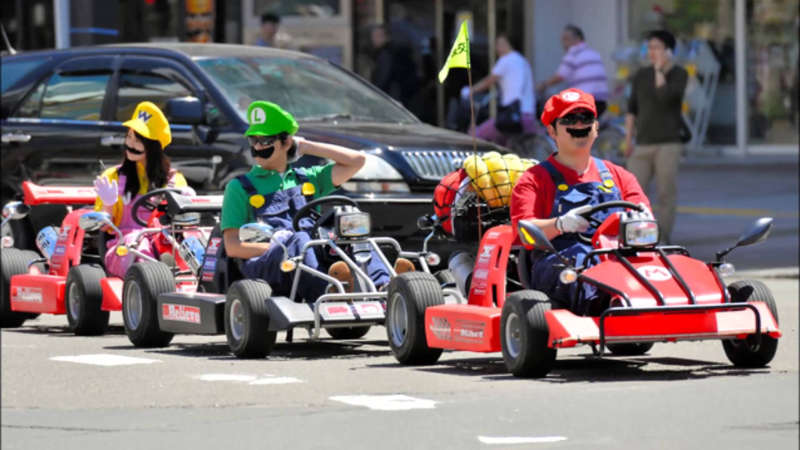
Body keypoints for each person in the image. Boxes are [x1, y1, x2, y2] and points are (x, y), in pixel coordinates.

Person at [221, 101, 412, 303]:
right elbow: (233, 247)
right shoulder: (239, 187)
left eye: (265, 140)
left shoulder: (307, 178)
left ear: (286, 143)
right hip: (269, 263)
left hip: (312, 250)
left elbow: (357, 161)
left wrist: (307, 146)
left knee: (352, 231)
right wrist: (282, 245)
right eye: (253, 140)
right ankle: (329, 292)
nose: (257, 147)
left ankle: (385, 285)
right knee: (300, 239)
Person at [510, 88, 651, 315]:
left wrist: (642, 218)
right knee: (581, 267)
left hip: (616, 255)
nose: (578, 125)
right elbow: (522, 232)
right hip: (562, 262)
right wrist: (560, 224)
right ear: (552, 131)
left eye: (585, 118)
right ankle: (611, 307)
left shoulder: (618, 175)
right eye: (569, 119)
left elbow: (645, 217)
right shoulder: (533, 179)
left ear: (595, 127)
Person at [94, 101, 192, 278]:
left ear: (153, 147)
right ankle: (156, 275)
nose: (130, 144)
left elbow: (187, 222)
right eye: (129, 137)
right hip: (124, 247)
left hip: (163, 241)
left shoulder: (174, 180)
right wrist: (108, 204)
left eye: (138, 140)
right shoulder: (113, 177)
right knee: (138, 243)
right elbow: (102, 227)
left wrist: (187, 200)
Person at [624, 30, 688, 245]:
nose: (652, 52)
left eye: (657, 47)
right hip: (642, 143)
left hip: (668, 143)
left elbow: (666, 97)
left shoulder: (679, 73)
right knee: (633, 194)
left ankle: (663, 238)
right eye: (649, 47)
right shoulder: (641, 75)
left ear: (669, 50)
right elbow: (632, 108)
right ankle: (636, 236)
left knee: (665, 194)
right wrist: (628, 138)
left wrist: (660, 70)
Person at [465, 33, 536, 146]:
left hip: (512, 116)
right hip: (528, 116)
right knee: (505, 145)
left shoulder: (506, 60)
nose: (497, 48)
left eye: (500, 44)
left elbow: (489, 81)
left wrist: (470, 91)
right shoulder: (522, 60)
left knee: (476, 135)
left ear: (509, 44)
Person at [536, 25, 610, 117]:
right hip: (601, 103)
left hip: (584, 102)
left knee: (556, 118)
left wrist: (543, 85)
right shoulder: (594, 53)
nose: (563, 43)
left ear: (578, 39)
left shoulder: (573, 53)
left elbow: (560, 76)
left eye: (566, 39)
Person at [370, 24, 419, 113]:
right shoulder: (394, 52)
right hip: (401, 96)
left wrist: (373, 93)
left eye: (377, 36)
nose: (374, 39)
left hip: (391, 97)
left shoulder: (386, 54)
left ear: (386, 37)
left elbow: (384, 78)